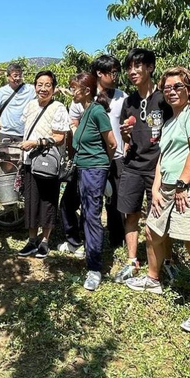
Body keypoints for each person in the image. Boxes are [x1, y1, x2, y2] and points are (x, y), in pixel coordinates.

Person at [126, 67, 190, 333]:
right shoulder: (170, 121)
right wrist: (155, 188)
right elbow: (162, 159)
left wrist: (182, 184)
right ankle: (154, 279)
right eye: (167, 88)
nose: (172, 91)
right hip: (166, 187)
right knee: (152, 233)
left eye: (178, 87)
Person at [113, 48, 174, 284]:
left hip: (158, 167)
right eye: (129, 67)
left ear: (149, 68)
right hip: (133, 166)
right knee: (131, 213)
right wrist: (125, 134)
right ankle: (132, 262)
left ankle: (166, 262)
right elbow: (128, 140)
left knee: (159, 216)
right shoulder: (129, 102)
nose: (132, 71)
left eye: (137, 66)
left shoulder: (164, 99)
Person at [59, 55, 127, 257]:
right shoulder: (82, 101)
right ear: (100, 73)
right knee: (75, 203)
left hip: (114, 158)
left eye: (117, 71)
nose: (116, 76)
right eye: (112, 72)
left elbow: (117, 136)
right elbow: (75, 131)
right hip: (87, 161)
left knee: (114, 205)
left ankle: (115, 243)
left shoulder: (122, 97)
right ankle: (78, 239)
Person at [69, 73, 116, 291]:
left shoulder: (97, 111)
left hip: (94, 170)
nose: (71, 92)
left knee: (92, 216)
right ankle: (90, 253)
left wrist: (103, 169)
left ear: (86, 91)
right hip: (84, 169)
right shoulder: (87, 111)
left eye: (74, 88)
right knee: (87, 213)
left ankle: (95, 267)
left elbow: (112, 143)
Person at [16, 70, 70, 259]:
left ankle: (45, 241)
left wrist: (36, 142)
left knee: (48, 201)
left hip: (48, 162)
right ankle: (31, 240)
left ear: (54, 88)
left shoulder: (59, 108)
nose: (43, 89)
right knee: (31, 201)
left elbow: (59, 137)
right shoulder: (30, 105)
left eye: (48, 85)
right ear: (34, 86)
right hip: (30, 160)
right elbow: (25, 130)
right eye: (40, 84)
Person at [0, 63, 36, 143]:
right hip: (5, 132)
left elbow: (44, 91)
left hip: (23, 133)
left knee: (22, 155)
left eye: (20, 75)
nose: (18, 78)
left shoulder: (30, 89)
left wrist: (59, 89)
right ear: (8, 76)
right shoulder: (1, 92)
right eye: (15, 76)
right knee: (4, 155)